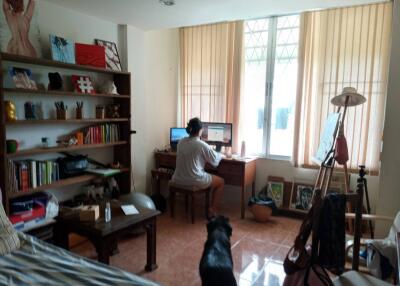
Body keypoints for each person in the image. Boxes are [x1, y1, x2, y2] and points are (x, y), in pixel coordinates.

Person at [171, 117, 224, 217]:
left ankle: (211, 210)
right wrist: (219, 151)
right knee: (221, 182)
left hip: (178, 179)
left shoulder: (181, 142)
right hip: (194, 180)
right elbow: (215, 162)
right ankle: (213, 211)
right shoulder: (201, 145)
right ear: (200, 130)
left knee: (208, 175)